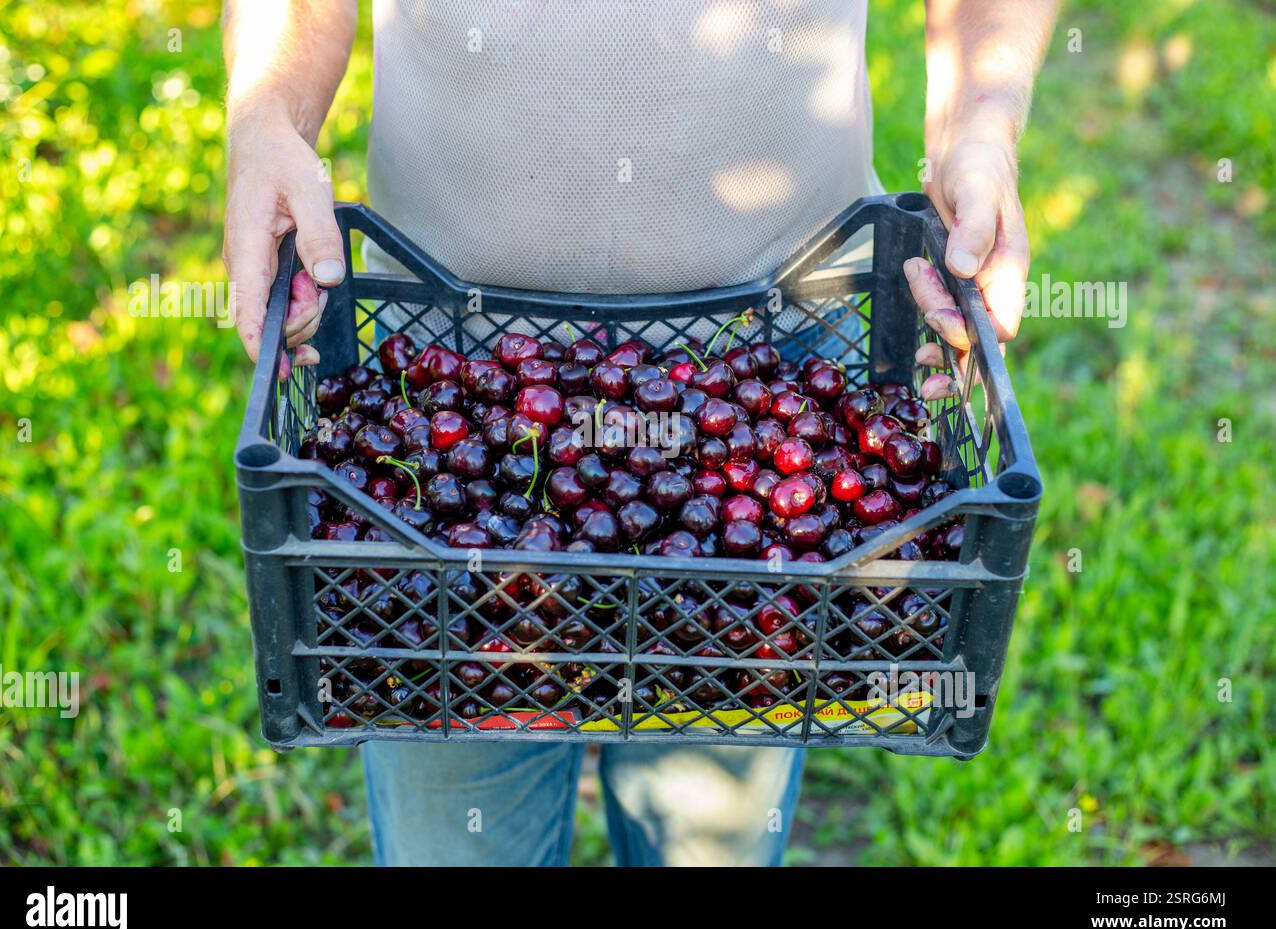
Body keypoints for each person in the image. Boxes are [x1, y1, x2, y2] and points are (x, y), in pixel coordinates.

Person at [222, 0, 1056, 866]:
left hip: (780, 342)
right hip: (443, 355)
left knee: (714, 816)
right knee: (456, 827)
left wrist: (978, 127)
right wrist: (267, 116)